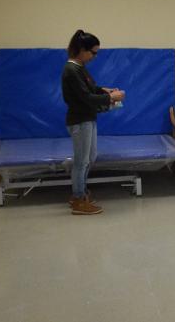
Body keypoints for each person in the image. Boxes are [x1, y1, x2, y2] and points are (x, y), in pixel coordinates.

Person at [61, 29, 125, 215]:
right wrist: (111, 98)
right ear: (82, 49)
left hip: (87, 119)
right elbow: (86, 97)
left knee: (90, 158)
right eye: (93, 52)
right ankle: (78, 199)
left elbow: (90, 88)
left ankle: (80, 192)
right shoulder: (71, 70)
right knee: (81, 161)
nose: (94, 56)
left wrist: (104, 90)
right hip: (80, 120)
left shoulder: (79, 67)